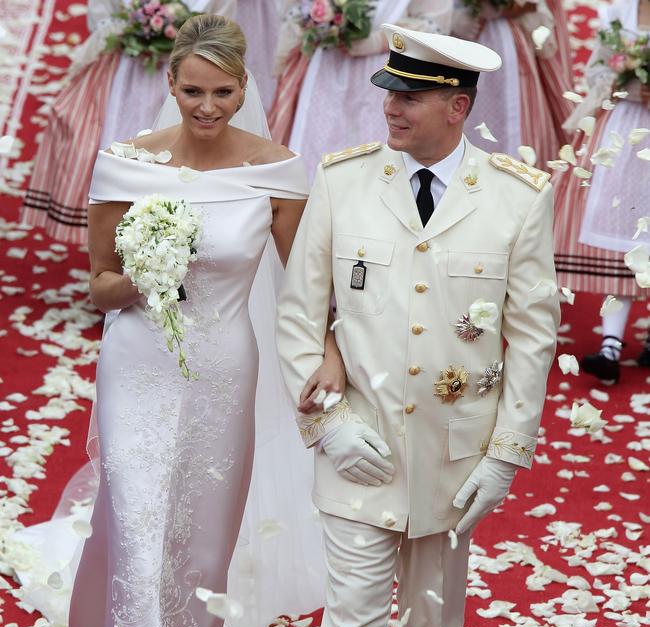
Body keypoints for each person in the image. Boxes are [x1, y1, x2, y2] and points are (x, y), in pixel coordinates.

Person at [16, 14, 345, 627]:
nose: (206, 106)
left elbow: (306, 290)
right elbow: (95, 281)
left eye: (222, 92)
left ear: (246, 89)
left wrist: (330, 359)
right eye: (192, 90)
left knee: (196, 546)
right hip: (136, 367)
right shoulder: (128, 162)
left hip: (224, 371)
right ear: (169, 82)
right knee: (138, 532)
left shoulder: (274, 169)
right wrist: (137, 282)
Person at [277, 24, 560, 627]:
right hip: (359, 446)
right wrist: (326, 426)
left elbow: (532, 337)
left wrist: (506, 456)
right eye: (391, 93)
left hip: (453, 458)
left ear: (457, 105)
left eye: (409, 96)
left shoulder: (514, 197)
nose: (390, 107)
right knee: (355, 619)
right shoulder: (343, 183)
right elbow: (302, 313)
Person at [21, 0, 236, 245]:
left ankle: (175, 226)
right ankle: (118, 231)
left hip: (190, 75)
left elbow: (222, 25)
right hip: (126, 70)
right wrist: (137, 29)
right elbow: (103, 16)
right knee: (118, 145)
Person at [553, 0, 650, 384]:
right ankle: (610, 344)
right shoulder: (621, 12)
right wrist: (625, 80)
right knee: (624, 231)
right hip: (626, 131)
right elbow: (597, 68)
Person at [270, 0, 453, 178]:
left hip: (383, 71)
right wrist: (318, 19)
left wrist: (380, 39)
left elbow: (434, 24)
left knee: (375, 156)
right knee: (315, 152)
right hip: (325, 69)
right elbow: (292, 9)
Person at [452, 0, 573, 169]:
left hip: (507, 41)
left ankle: (517, 173)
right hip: (464, 42)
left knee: (515, 112)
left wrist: (500, 6)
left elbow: (530, 5)